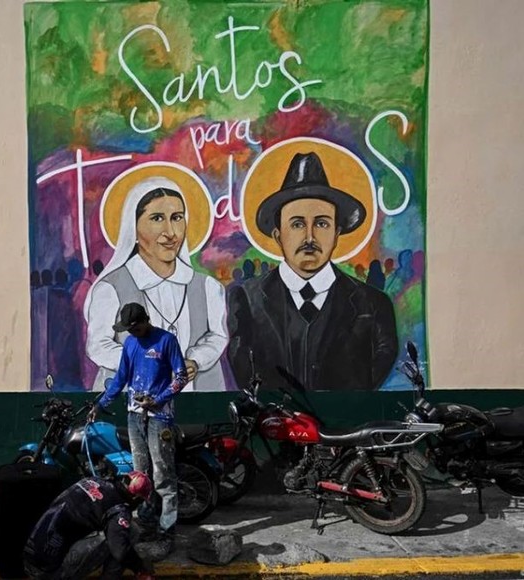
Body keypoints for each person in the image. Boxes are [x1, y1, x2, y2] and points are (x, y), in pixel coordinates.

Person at [227, 151, 398, 391]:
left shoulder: (373, 305)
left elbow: (371, 377)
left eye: (321, 223)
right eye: (297, 224)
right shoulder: (246, 300)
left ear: (337, 233)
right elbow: (246, 372)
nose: (309, 237)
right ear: (278, 235)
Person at [84, 173, 228, 392]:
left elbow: (217, 336)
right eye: (157, 218)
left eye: (177, 218)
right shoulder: (111, 288)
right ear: (134, 228)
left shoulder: (208, 288)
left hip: (194, 404)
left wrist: (195, 360)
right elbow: (99, 345)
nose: (171, 233)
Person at [89, 302, 187, 550]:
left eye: (135, 328)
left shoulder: (167, 341)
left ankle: (167, 532)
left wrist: (159, 399)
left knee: (163, 476)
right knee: (139, 477)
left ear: (146, 320)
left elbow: (181, 377)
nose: (132, 333)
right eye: (128, 330)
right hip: (134, 416)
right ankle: (146, 525)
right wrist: (100, 404)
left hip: (159, 418)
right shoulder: (130, 344)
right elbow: (121, 378)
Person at [23, 471, 156, 580]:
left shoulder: (92, 480)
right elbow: (120, 551)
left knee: (113, 532)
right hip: (49, 573)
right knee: (129, 533)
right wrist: (140, 568)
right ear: (135, 498)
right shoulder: (118, 510)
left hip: (29, 561)